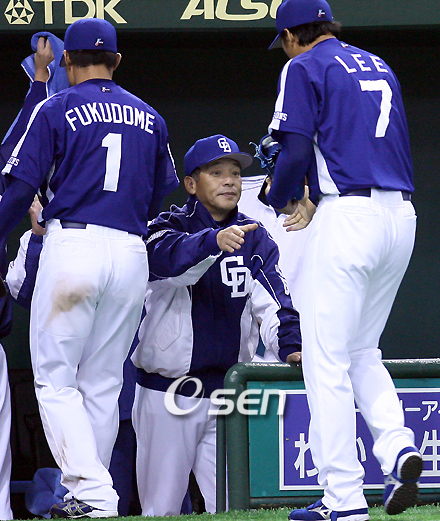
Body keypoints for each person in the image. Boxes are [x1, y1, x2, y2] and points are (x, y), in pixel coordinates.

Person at [0, 17, 178, 519]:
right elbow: (159, 191)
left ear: (66, 61)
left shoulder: (55, 106)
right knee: (102, 383)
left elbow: (20, 186)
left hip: (74, 244)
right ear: (116, 60)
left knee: (55, 381)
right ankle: (90, 499)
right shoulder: (151, 116)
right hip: (130, 250)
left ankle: (93, 492)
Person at [265, 1, 422, 520]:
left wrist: (281, 197)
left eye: (283, 41)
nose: (284, 50)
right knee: (361, 350)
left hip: (349, 216)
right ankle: (397, 447)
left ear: (293, 34)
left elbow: (294, 150)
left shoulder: (304, 65)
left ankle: (343, 498)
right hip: (399, 217)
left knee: (324, 359)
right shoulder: (378, 62)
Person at [130, 134, 302, 516]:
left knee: (232, 507)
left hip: (228, 392)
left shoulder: (255, 236)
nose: (229, 181)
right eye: (217, 172)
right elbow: (167, 266)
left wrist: (291, 345)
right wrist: (212, 241)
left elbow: (275, 301)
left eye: (236, 173)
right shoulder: (164, 228)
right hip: (167, 391)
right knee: (161, 510)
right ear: (191, 184)